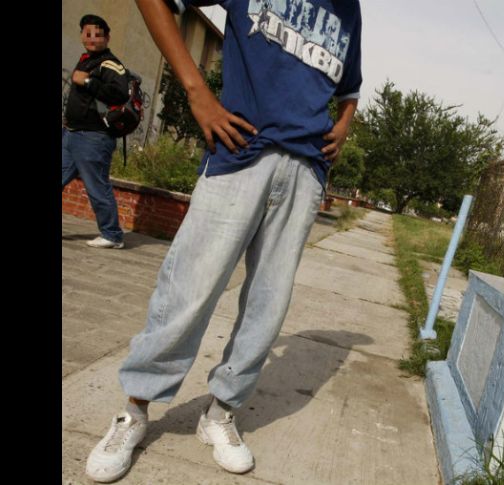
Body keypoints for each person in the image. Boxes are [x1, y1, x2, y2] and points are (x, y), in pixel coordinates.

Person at [85, 0, 362, 482]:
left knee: (267, 303)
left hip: (305, 171)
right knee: (190, 289)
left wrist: (343, 125)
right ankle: (135, 410)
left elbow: (350, 87)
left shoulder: (350, 9)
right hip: (240, 152)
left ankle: (220, 413)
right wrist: (197, 93)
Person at [62, 14, 129, 249]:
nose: (92, 38)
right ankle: (111, 233)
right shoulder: (86, 60)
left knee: (97, 187)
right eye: (87, 33)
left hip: (93, 137)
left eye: (97, 34)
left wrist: (88, 82)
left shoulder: (110, 64)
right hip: (71, 134)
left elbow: (120, 94)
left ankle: (112, 235)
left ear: (107, 38)